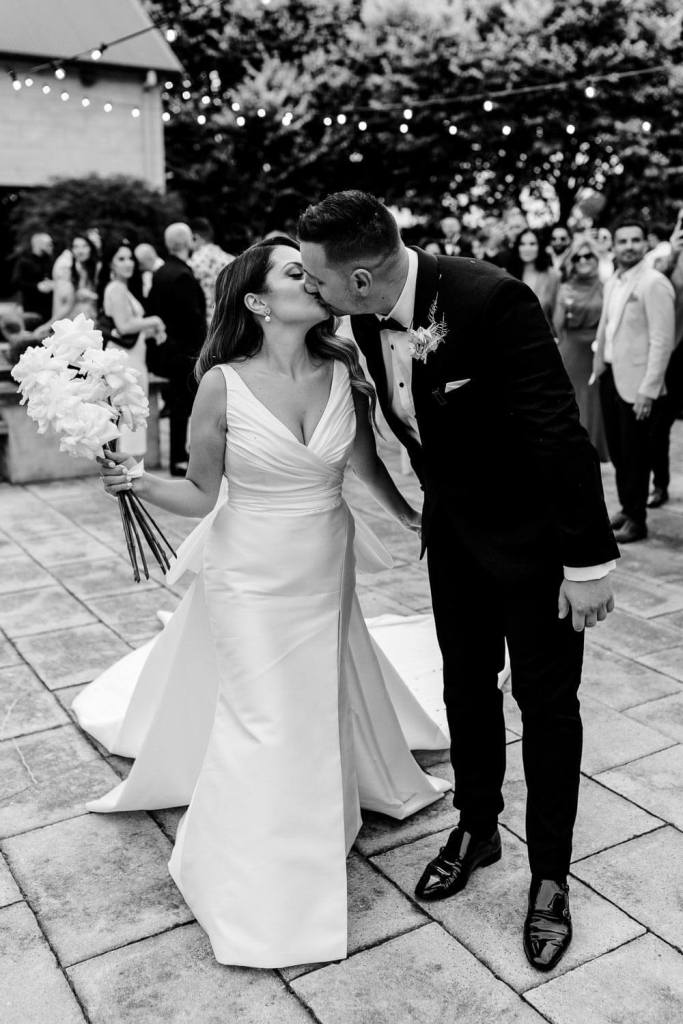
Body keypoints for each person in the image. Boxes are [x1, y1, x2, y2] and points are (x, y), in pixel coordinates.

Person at [76, 236, 450, 968]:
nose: (311, 279)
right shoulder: (221, 383)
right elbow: (200, 492)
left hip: (325, 561)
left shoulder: (346, 367)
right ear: (256, 300)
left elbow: (363, 460)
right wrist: (136, 483)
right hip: (247, 574)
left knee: (315, 700)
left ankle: (322, 815)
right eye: (293, 272)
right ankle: (260, 885)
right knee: (265, 716)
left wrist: (409, 514)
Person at [299, 190, 619, 973]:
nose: (313, 291)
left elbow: (556, 429)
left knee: (545, 708)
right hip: (453, 539)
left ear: (365, 277)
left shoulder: (490, 298)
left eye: (318, 279)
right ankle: (477, 825)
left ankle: (549, 876)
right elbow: (422, 427)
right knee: (464, 688)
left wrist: (585, 563)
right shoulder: (363, 322)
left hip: (540, 548)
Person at [593, 219, 676, 543]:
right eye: (623, 241)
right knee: (619, 452)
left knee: (637, 454)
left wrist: (648, 390)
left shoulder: (654, 283)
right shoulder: (615, 280)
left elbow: (662, 341)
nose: (629, 246)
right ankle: (628, 508)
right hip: (612, 375)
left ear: (645, 244)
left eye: (635, 240)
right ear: (614, 245)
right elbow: (609, 325)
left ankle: (637, 521)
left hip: (638, 384)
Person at [146, 223, 207, 475]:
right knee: (183, 405)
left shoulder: (161, 272)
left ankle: (179, 457)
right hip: (185, 351)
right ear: (186, 242)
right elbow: (192, 318)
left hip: (169, 349)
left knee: (179, 405)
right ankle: (179, 459)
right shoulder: (181, 275)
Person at [99, 241, 166, 456]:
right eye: (121, 259)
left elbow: (130, 328)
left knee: (132, 411)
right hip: (125, 360)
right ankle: (130, 467)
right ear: (110, 263)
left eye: (130, 258)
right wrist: (154, 320)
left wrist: (148, 330)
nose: (128, 263)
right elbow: (124, 326)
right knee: (130, 412)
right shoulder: (116, 288)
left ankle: (131, 467)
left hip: (133, 355)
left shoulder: (122, 288)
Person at [553, 236, 609, 461]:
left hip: (597, 349)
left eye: (589, 256)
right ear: (572, 262)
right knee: (574, 400)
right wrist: (564, 302)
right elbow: (558, 326)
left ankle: (594, 450)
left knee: (594, 401)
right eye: (578, 257)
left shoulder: (607, 286)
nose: (584, 260)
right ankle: (575, 451)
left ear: (597, 259)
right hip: (571, 350)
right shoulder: (565, 287)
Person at [648, 212, 683, 506]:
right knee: (659, 426)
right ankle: (659, 484)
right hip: (674, 354)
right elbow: (652, 280)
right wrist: (673, 250)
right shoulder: (668, 255)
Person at [507, 228, 561, 326]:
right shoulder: (508, 274)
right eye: (522, 244)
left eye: (532, 244)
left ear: (540, 246)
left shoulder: (553, 276)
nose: (527, 248)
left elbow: (557, 315)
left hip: (544, 336)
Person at [188, 216, 234, 323]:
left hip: (206, 322)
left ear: (195, 237)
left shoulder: (193, 263)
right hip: (228, 320)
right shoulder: (230, 260)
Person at [52, 234, 100, 321]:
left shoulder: (95, 268)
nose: (80, 251)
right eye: (76, 247)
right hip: (73, 318)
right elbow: (65, 304)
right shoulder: (67, 269)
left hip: (91, 316)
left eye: (84, 246)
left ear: (91, 248)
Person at [11, 232, 54, 325]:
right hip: (31, 307)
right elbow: (16, 282)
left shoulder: (50, 260)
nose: (52, 246)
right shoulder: (24, 261)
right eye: (48, 244)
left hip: (50, 307)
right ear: (38, 244)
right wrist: (36, 286)